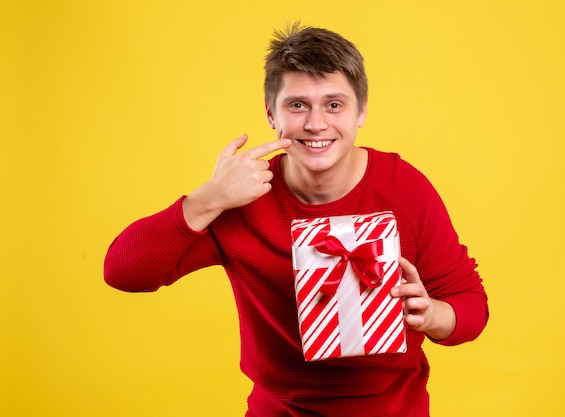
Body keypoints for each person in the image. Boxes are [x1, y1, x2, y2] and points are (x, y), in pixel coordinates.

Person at [104, 23, 488, 417]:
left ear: (362, 111)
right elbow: (124, 272)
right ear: (272, 113)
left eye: (334, 104)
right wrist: (210, 197)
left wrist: (433, 315)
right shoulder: (241, 198)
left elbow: (471, 306)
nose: (316, 124)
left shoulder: (403, 189)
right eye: (298, 105)